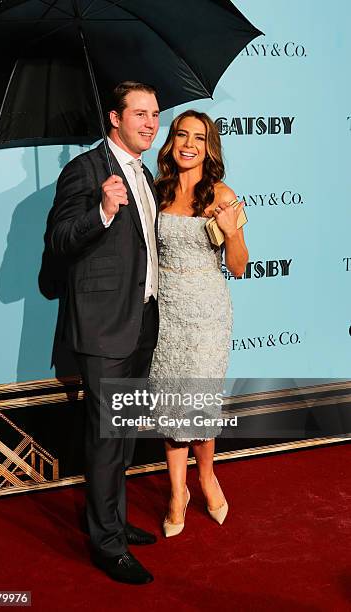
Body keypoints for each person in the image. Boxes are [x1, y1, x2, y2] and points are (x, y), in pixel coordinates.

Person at [45, 82, 160, 584]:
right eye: (140, 114)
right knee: (107, 439)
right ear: (114, 118)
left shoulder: (145, 172)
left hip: (142, 323)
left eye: (155, 114)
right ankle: (106, 544)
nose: (151, 123)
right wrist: (103, 210)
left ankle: (113, 520)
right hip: (104, 329)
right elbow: (59, 240)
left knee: (126, 435)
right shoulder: (84, 171)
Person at [150, 109, 248, 537]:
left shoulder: (222, 194)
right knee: (172, 401)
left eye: (199, 138)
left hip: (207, 310)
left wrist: (231, 232)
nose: (189, 144)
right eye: (182, 135)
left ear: (210, 148)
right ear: (171, 141)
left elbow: (240, 268)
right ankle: (177, 491)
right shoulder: (157, 190)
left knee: (200, 401)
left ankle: (206, 477)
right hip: (165, 309)